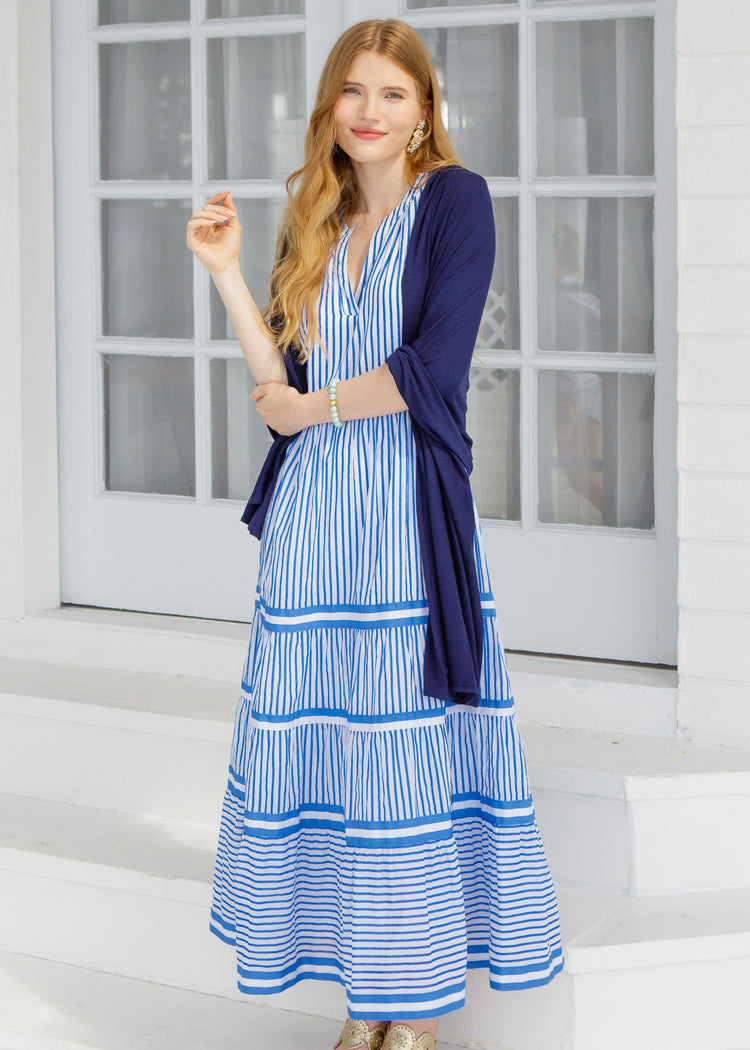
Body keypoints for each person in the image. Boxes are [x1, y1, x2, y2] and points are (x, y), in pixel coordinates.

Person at [186, 18, 563, 1050]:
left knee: (400, 745)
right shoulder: (315, 217)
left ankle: (420, 1013)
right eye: (353, 91)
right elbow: (281, 383)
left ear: (425, 110)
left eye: (393, 94)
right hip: (316, 517)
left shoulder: (456, 204)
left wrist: (313, 409)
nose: (369, 111)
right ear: (330, 107)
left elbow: (432, 369)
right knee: (339, 748)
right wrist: (224, 272)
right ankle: (366, 1004)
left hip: (405, 513)